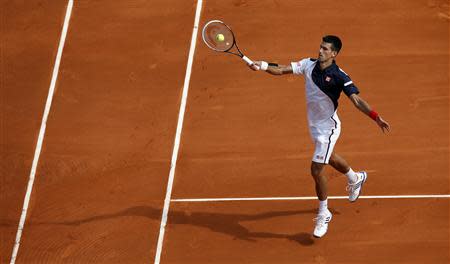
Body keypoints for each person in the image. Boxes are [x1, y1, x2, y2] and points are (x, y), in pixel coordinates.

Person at [248, 35, 390, 238]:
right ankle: (355, 178)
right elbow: (281, 69)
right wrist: (261, 65)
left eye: (325, 49)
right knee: (329, 157)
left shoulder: (340, 76)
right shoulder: (308, 64)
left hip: (328, 128)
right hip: (314, 126)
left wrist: (375, 117)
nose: (320, 51)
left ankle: (324, 213)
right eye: (320, 47)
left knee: (316, 169)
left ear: (334, 53)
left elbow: (356, 100)